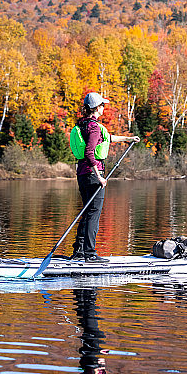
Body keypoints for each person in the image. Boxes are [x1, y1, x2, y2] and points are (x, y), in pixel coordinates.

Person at [72, 92, 139, 261]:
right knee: (94, 213)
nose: (104, 108)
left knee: (87, 212)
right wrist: (99, 176)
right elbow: (89, 152)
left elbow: (107, 137)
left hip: (82, 174)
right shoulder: (94, 127)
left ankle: (78, 250)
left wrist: (128, 138)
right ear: (95, 108)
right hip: (94, 175)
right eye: (102, 105)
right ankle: (89, 253)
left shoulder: (84, 125)